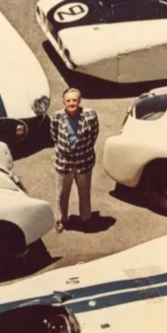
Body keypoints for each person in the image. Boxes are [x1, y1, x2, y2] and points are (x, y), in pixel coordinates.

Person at [50, 87, 99, 233]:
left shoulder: (90, 115)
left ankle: (86, 218)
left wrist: (82, 152)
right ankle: (61, 219)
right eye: (68, 100)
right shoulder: (56, 117)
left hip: (84, 162)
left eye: (75, 100)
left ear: (79, 101)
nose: (72, 103)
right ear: (63, 102)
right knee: (62, 194)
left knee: (84, 192)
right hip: (64, 164)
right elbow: (54, 137)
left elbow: (94, 135)